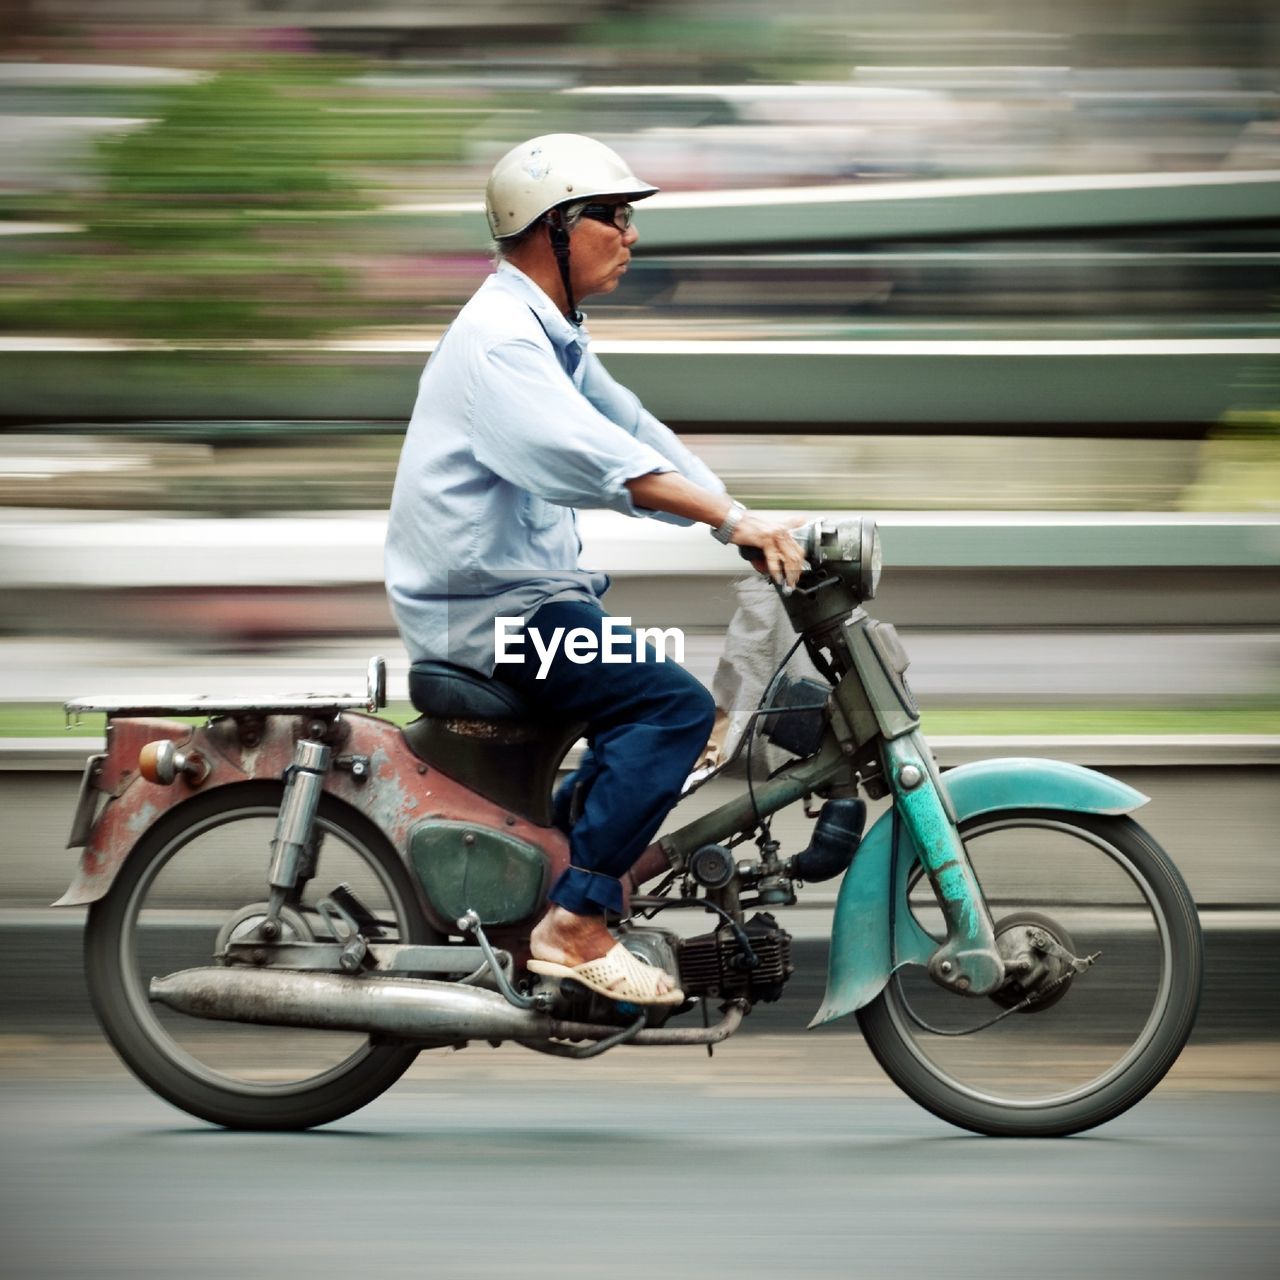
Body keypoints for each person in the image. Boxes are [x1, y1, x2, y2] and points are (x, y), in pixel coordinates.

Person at [385, 133, 805, 1005]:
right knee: (670, 706)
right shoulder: (503, 342)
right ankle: (576, 925)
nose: (630, 235)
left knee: (647, 703)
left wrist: (741, 518)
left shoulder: (552, 333)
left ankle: (565, 876)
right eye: (614, 217)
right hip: (498, 622)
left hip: (527, 604)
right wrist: (728, 519)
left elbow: (632, 428)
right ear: (558, 228)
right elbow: (583, 456)